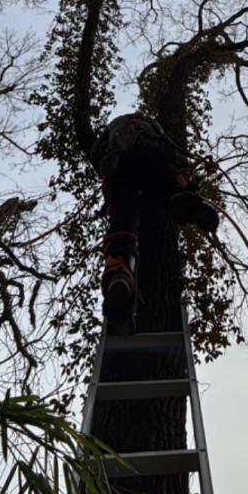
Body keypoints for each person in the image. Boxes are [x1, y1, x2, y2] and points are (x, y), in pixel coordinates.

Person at [93, 113, 219, 332]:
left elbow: (96, 151)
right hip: (153, 156)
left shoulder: (114, 126)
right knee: (170, 180)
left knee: (122, 222)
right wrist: (189, 177)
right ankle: (188, 202)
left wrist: (104, 164)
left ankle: (119, 271)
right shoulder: (154, 127)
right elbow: (174, 154)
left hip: (119, 163)